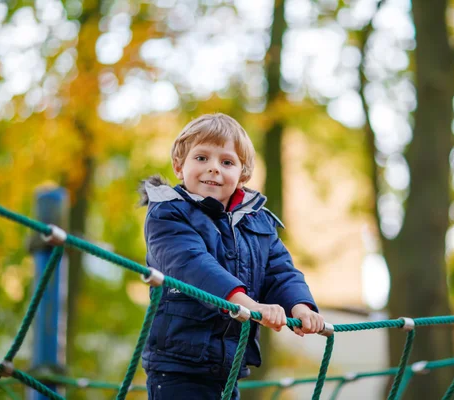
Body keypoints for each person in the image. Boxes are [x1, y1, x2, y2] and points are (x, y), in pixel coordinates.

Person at [138, 113, 324, 399]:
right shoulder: (168, 213)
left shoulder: (257, 221)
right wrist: (248, 305)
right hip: (178, 365)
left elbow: (280, 271)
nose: (213, 168)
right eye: (201, 158)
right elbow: (193, 266)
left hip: (229, 365)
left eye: (226, 162)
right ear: (179, 165)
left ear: (242, 175)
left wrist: (299, 306)